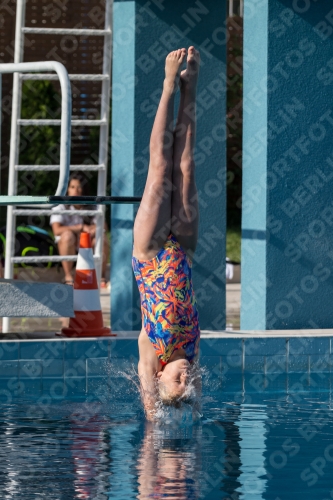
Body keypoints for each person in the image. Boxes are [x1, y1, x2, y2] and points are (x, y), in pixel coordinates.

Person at [132, 47, 201, 420]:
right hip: (183, 251)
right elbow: (196, 404)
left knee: (160, 169)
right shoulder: (192, 352)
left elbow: (149, 397)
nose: (187, 380)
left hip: (151, 253)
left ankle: (168, 85)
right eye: (189, 385)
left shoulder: (151, 353)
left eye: (179, 384)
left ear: (160, 377)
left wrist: (154, 419)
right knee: (186, 166)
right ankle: (191, 85)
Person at [50, 173, 109, 286]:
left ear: (84, 189)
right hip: (68, 244)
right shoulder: (61, 205)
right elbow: (56, 230)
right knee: (67, 236)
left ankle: (101, 277)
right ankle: (68, 277)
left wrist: (93, 229)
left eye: (79, 186)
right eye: (72, 187)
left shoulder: (92, 205)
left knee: (101, 239)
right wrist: (79, 228)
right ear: (67, 189)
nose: (76, 190)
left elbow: (104, 227)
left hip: (87, 243)